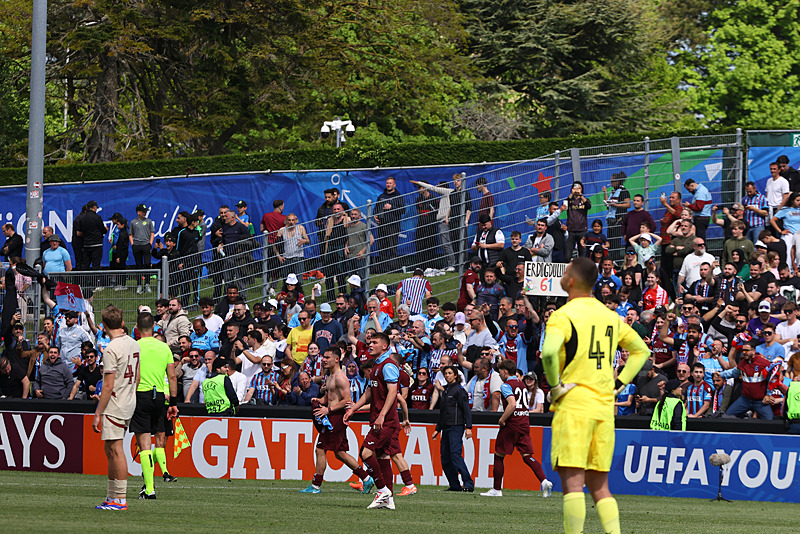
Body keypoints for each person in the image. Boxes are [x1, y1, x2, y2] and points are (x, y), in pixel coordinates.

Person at [541, 257, 650, 534]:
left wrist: (555, 387)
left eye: (566, 271)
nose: (563, 274)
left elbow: (550, 352)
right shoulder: (609, 316)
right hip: (604, 406)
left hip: (574, 404)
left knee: (573, 484)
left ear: (572, 280)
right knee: (600, 485)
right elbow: (641, 351)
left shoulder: (563, 315)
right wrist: (620, 384)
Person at [344, 333, 407, 510]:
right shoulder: (377, 365)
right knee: (382, 457)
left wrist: (381, 415)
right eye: (369, 342)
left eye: (374, 342)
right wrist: (353, 409)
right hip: (380, 418)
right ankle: (389, 498)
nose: (370, 345)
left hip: (385, 420)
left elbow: (393, 392)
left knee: (365, 454)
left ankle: (382, 490)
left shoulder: (388, 365)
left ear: (385, 346)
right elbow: (369, 393)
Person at [299, 347, 375, 494]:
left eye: (327, 357)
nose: (324, 359)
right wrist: (318, 401)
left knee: (320, 449)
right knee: (340, 453)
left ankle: (316, 486)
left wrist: (328, 410)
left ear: (336, 359)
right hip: (332, 416)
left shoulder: (340, 377)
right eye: (324, 357)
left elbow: (347, 400)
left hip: (336, 417)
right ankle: (366, 479)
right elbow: (328, 399)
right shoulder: (329, 376)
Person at [480, 359, 553, 498]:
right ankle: (544, 481)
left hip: (512, 424)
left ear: (505, 372)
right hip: (524, 423)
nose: (499, 374)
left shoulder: (506, 385)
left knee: (499, 454)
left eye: (500, 371)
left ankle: (496, 489)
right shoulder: (522, 384)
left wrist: (502, 419)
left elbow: (512, 404)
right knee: (527, 456)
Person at [92, 305, 141, 510]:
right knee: (110, 448)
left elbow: (108, 385)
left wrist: (97, 413)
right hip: (129, 400)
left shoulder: (111, 349)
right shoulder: (133, 343)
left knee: (116, 449)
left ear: (103, 326)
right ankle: (112, 496)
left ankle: (120, 498)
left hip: (115, 403)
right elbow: (137, 377)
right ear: (122, 323)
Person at [130, 312, 179, 499]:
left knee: (144, 443)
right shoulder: (164, 347)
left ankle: (150, 489)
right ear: (154, 327)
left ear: (136, 327)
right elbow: (172, 376)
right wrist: (173, 403)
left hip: (140, 395)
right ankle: (152, 483)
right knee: (159, 436)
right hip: (159, 397)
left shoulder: (134, 346)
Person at [432, 365, 474, 492]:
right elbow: (443, 412)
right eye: (445, 373)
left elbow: (466, 410)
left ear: (456, 375)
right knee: (445, 458)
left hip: (456, 427)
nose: (447, 375)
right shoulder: (446, 390)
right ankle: (454, 485)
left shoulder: (459, 391)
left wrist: (469, 427)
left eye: (450, 373)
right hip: (446, 428)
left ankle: (468, 483)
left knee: (455, 455)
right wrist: (438, 429)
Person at [374, 177, 406, 272]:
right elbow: (376, 208)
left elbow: (402, 210)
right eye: (387, 183)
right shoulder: (381, 196)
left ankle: (393, 268)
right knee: (382, 247)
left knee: (392, 247)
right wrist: (375, 216)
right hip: (382, 225)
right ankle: (383, 268)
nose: (388, 185)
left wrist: (391, 207)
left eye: (390, 183)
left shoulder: (398, 196)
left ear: (394, 185)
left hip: (393, 226)